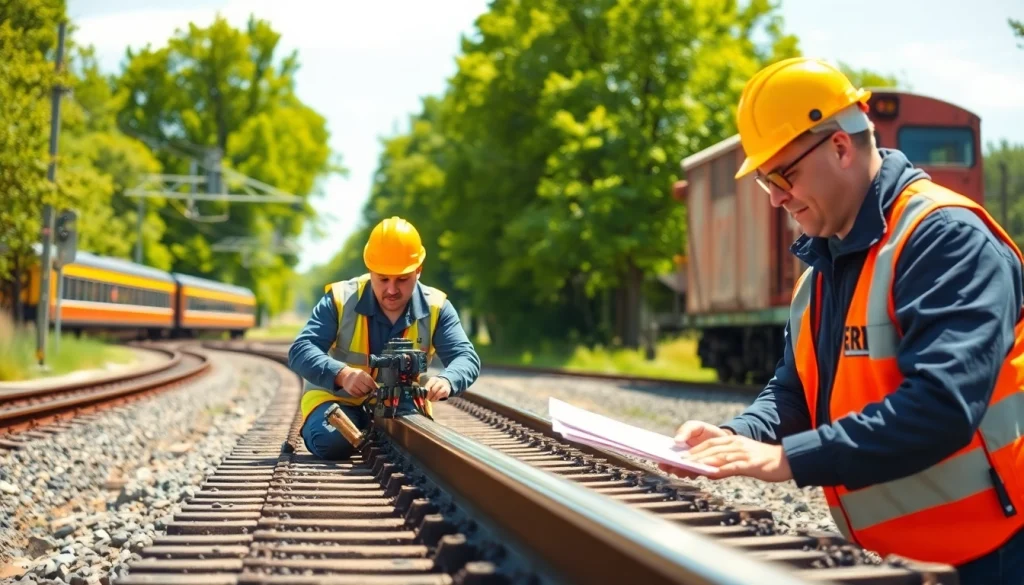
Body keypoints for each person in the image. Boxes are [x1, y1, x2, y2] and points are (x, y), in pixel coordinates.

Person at [660, 57, 1024, 584]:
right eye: (766, 182)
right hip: (911, 558)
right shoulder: (822, 270)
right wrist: (730, 436)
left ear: (839, 146)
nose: (778, 197)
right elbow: (795, 392)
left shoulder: (945, 238)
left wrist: (787, 459)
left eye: (783, 175)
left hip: (998, 554)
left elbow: (942, 405)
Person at [288, 216, 481, 461]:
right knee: (331, 442)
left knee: (419, 449)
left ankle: (376, 432)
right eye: (382, 279)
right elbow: (300, 349)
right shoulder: (339, 299)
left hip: (401, 403)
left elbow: (466, 357)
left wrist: (448, 379)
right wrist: (342, 374)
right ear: (370, 271)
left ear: (418, 271)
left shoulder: (438, 307)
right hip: (337, 399)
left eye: (402, 279)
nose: (391, 289)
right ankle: (368, 431)